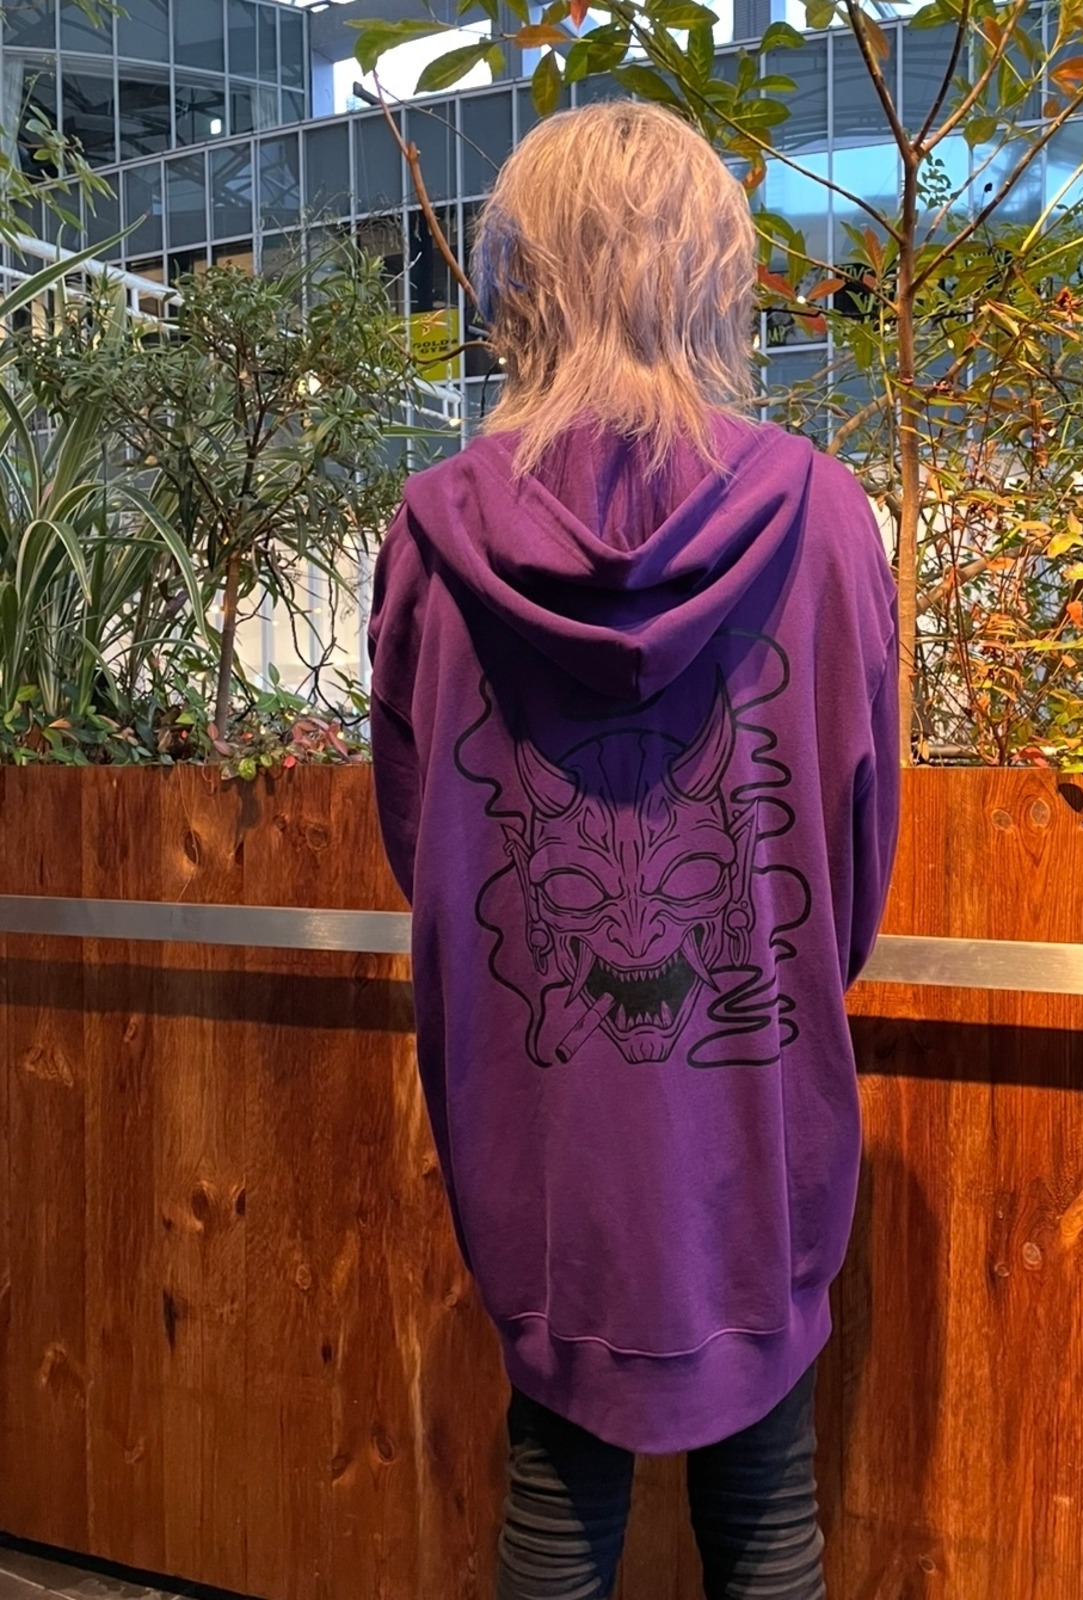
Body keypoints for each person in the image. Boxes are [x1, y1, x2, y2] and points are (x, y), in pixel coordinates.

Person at [369, 101, 899, 1600]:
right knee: (770, 1512)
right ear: (712, 274)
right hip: (758, 1105)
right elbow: (855, 852)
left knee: (553, 1486)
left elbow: (420, 840)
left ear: (521, 280)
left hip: (537, 1113)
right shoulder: (822, 517)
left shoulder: (435, 536)